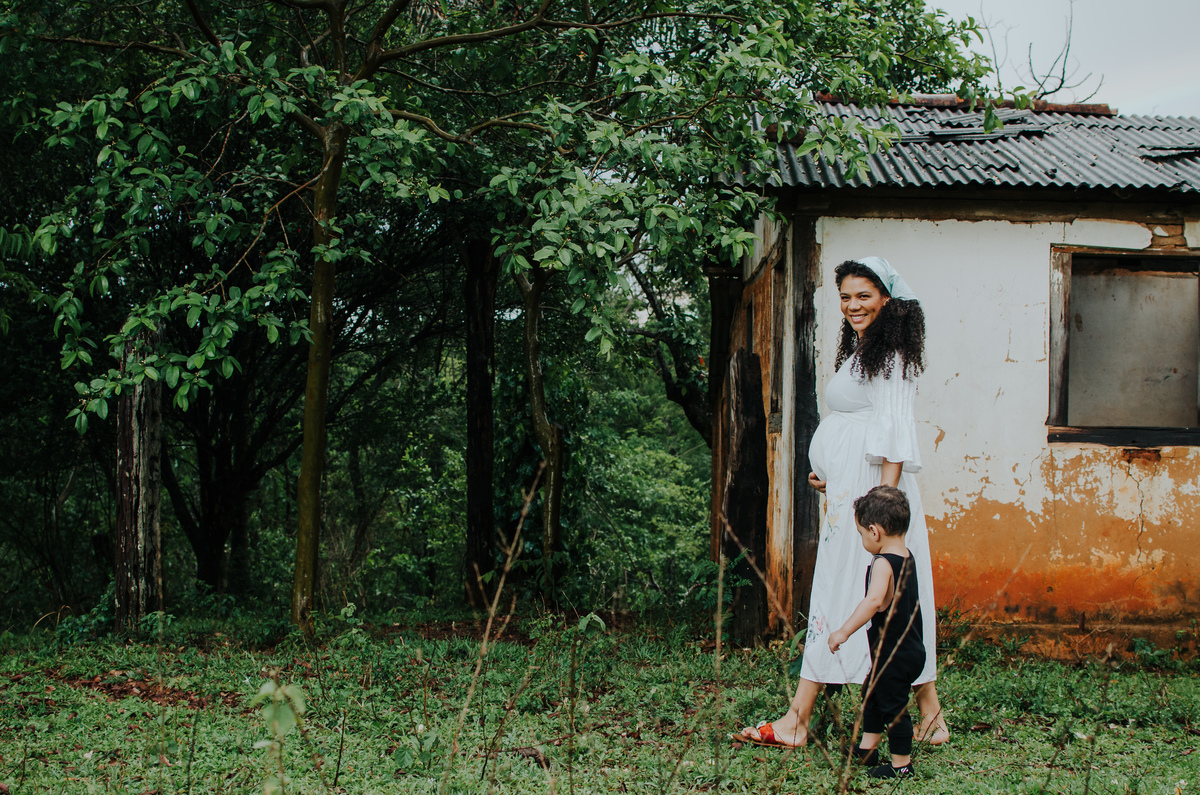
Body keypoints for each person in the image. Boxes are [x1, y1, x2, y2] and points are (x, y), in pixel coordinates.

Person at [735, 256, 948, 749]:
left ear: (887, 300)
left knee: (853, 591)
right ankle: (930, 714)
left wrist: (882, 507)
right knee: (885, 598)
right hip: (852, 489)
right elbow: (859, 424)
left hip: (873, 497)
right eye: (846, 297)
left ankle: (798, 719)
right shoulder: (866, 350)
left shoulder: (891, 352)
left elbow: (894, 434)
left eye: (864, 296)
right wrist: (829, 475)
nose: (853, 305)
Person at [828, 486, 925, 779]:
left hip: (895, 654)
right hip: (906, 650)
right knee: (872, 693)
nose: (862, 540)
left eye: (861, 534)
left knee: (894, 707)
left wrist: (843, 631)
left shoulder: (883, 563)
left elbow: (873, 601)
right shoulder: (906, 556)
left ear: (874, 531)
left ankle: (901, 765)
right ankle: (867, 749)